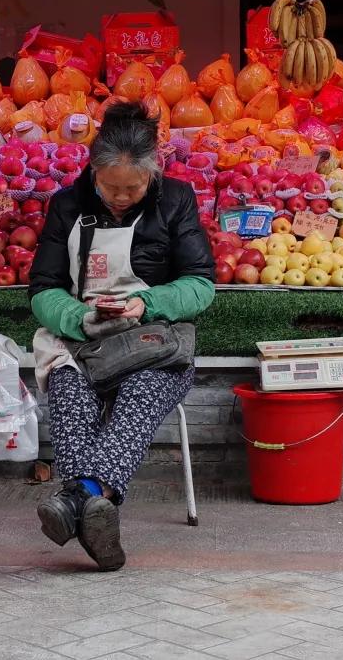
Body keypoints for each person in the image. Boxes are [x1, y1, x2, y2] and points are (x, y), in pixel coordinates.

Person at [28, 101, 215, 570]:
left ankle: (78, 499)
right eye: (110, 187)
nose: (121, 197)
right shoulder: (66, 205)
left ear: (154, 172)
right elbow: (43, 289)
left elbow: (200, 284)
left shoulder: (176, 199)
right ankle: (95, 509)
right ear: (92, 170)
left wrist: (147, 304)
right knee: (70, 394)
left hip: (153, 338)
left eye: (133, 188)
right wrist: (80, 318)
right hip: (80, 337)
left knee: (138, 394)